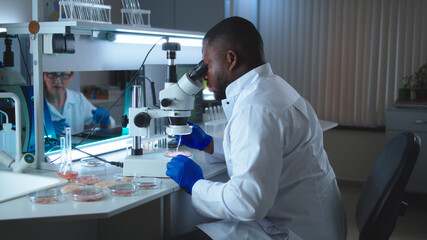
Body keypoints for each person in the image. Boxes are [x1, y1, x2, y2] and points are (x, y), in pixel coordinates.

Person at [166, 17, 347, 240]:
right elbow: (265, 148)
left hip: (294, 232)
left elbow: (247, 203)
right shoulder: (272, 88)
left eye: (208, 64)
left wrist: (196, 185)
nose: (204, 74)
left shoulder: (256, 107)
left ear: (231, 59)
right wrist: (209, 143)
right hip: (313, 223)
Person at [43, 71, 115, 136]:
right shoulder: (35, 102)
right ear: (44, 76)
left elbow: (109, 124)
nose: (57, 80)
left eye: (64, 75)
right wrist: (44, 131)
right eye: (52, 74)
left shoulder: (78, 99)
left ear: (71, 76)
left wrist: (105, 122)